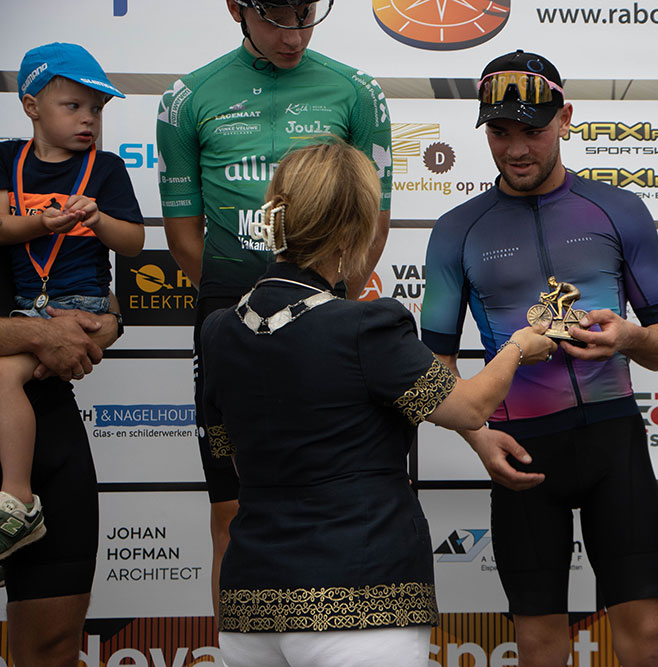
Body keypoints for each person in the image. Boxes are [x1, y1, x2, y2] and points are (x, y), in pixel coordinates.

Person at [199, 141, 554, 666]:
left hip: (251, 606)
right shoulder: (366, 325)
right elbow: (469, 408)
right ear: (352, 230)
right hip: (362, 600)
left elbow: (231, 458)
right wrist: (519, 346)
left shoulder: (217, 331)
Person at [421, 50, 658, 666]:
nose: (516, 149)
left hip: (613, 444)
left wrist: (628, 339)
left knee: (646, 636)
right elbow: (434, 369)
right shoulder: (456, 231)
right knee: (539, 645)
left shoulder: (618, 210)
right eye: (499, 132)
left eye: (533, 131)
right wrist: (479, 437)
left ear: (565, 119)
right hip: (520, 452)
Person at [156, 0, 393, 619]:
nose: (295, 34)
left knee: (332, 494)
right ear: (237, 8)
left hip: (327, 316)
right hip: (229, 317)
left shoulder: (358, 91)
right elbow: (182, 237)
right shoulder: (186, 98)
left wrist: (321, 301)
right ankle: (242, 651)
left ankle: (334, 638)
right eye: (277, 17)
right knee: (232, 509)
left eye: (306, 13)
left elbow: (373, 224)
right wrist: (252, 312)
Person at [0, 42, 142, 562]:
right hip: (26, 305)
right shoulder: (7, 159)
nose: (89, 120)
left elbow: (133, 243)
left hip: (81, 304)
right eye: (74, 106)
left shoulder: (106, 168)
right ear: (31, 106)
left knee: (4, 376)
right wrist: (42, 222)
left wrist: (97, 220)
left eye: (97, 110)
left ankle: (17, 501)